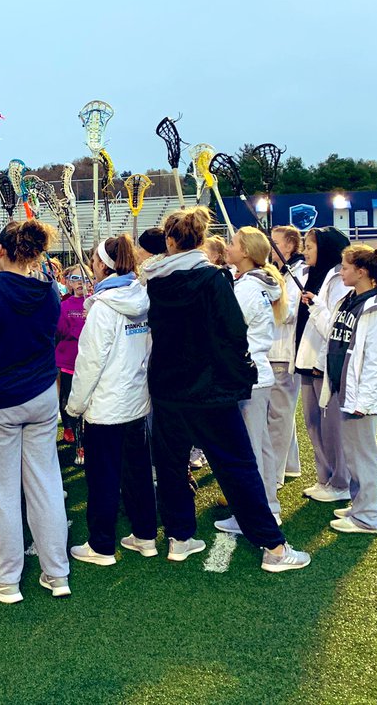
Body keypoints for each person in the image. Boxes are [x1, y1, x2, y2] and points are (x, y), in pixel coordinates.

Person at [143, 208, 310, 572]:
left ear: (170, 241)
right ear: (199, 240)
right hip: (207, 390)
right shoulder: (213, 279)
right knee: (237, 466)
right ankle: (274, 547)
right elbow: (232, 334)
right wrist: (240, 374)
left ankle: (180, 537)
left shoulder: (156, 280)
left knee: (172, 466)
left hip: (169, 388)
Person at [0, 220, 72, 602]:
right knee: (46, 483)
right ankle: (56, 573)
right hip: (39, 396)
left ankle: (7, 578)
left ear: (2, 250)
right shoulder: (50, 291)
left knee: (1, 490)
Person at [66, 235, 157, 565]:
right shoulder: (141, 297)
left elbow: (89, 363)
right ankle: (146, 535)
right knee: (137, 472)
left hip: (106, 407)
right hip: (135, 401)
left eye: (94, 260)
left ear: (103, 265)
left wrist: (74, 406)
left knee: (102, 477)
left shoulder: (104, 308)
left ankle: (101, 545)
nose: (91, 265)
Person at [325, 245, 377, 535]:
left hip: (361, 398)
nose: (341, 271)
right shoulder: (350, 299)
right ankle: (361, 505)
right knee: (354, 454)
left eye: (345, 267)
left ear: (362, 272)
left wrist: (365, 400)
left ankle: (368, 516)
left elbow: (376, 360)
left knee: (363, 455)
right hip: (345, 390)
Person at [215, 227, 286, 534]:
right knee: (262, 447)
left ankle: (255, 514)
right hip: (256, 374)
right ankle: (267, 507)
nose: (228, 248)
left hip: (249, 376)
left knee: (251, 450)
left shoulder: (246, 289)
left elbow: (226, 325)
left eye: (232, 244)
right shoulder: (253, 282)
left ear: (245, 251)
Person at [294, 226, 352, 503]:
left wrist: (315, 304)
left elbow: (334, 325)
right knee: (313, 424)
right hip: (307, 360)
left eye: (310, 246)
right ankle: (324, 477)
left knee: (331, 427)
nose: (305, 251)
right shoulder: (313, 275)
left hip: (324, 364)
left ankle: (340, 482)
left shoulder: (338, 278)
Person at [269, 226, 306, 482]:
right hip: (276, 349)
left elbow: (289, 313)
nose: (270, 246)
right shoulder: (283, 271)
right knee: (282, 413)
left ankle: (273, 474)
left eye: (275, 242)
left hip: (283, 351)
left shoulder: (296, 272)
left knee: (278, 416)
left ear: (289, 246)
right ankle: (290, 464)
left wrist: (266, 301)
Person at [55, 265, 88, 464]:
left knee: (87, 407)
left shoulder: (94, 303)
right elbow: (60, 331)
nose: (79, 283)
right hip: (68, 362)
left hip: (87, 364)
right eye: (75, 278)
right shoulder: (65, 305)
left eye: (83, 279)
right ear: (68, 282)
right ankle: (76, 441)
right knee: (69, 402)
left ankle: (84, 444)